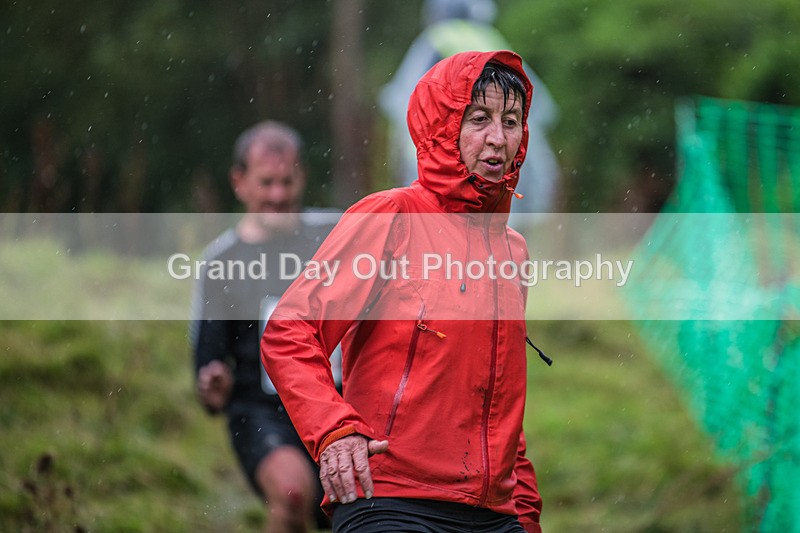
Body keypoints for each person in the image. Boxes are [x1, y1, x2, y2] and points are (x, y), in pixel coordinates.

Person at [262, 51, 544, 532]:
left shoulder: (512, 251)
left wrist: (526, 512)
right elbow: (290, 332)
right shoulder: (391, 216)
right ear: (441, 127)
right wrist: (333, 431)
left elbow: (498, 403)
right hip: (391, 502)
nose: (499, 138)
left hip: (492, 515)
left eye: (511, 121)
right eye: (478, 119)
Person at [189, 120, 340, 533]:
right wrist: (212, 383)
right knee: (292, 494)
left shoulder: (336, 235)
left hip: (344, 404)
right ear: (239, 182)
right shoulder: (221, 260)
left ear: (302, 177)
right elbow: (207, 364)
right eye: (266, 182)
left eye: (287, 181)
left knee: (363, 510)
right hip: (263, 411)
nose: (278, 195)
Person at [379, 0, 560, 227]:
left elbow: (400, 98)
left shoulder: (437, 38)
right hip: (499, 157)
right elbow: (539, 104)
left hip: (437, 154)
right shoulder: (489, 38)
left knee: (431, 223)